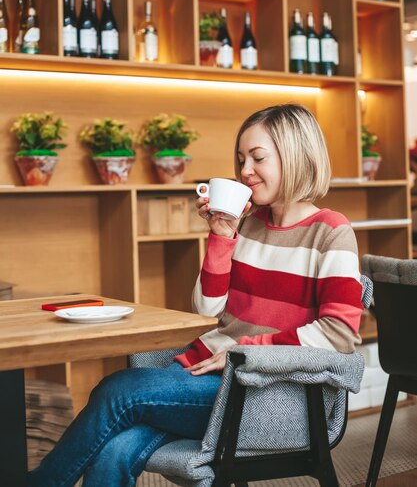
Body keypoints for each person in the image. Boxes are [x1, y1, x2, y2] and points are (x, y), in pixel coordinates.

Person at [29, 103, 363, 487]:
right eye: (241, 159)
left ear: (297, 155)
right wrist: (222, 237)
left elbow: (339, 333)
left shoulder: (331, 232)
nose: (245, 171)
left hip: (260, 393)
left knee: (117, 390)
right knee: (115, 448)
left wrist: (245, 352)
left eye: (258, 158)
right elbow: (207, 309)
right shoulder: (248, 225)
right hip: (203, 373)